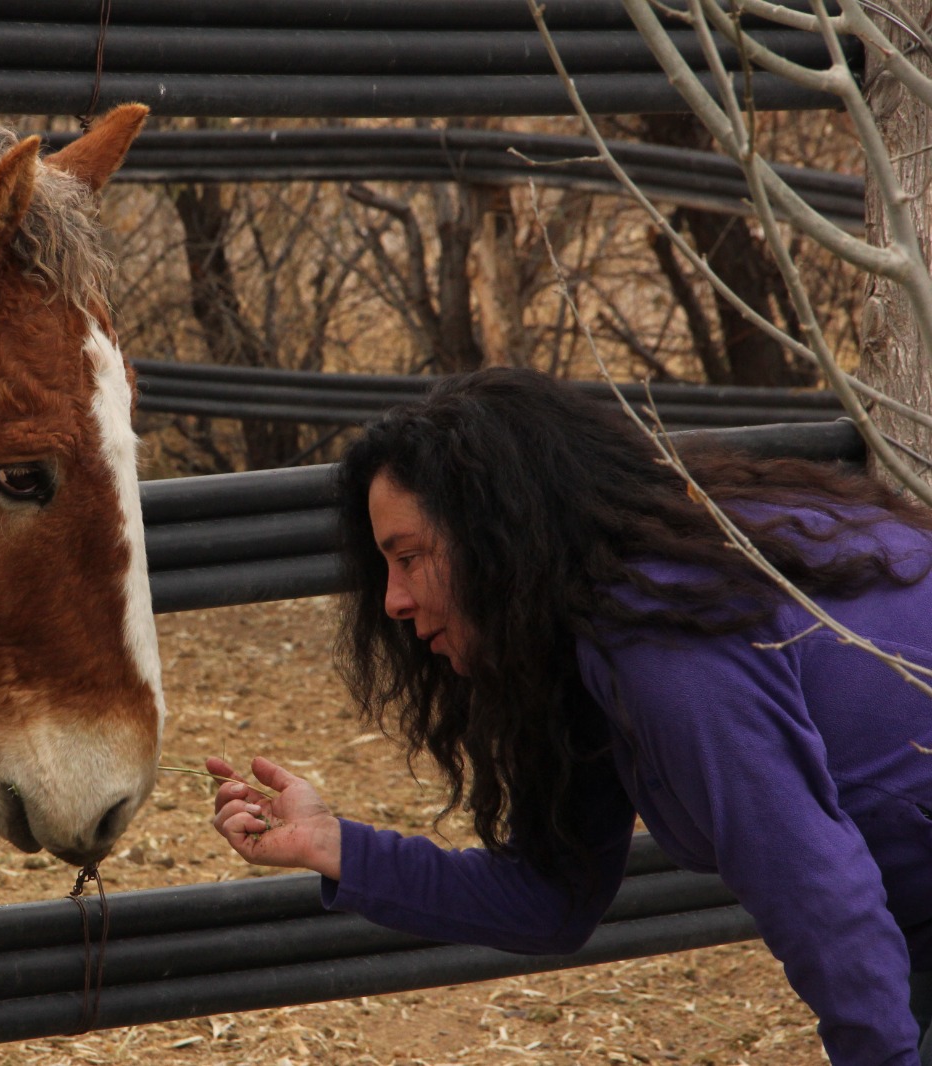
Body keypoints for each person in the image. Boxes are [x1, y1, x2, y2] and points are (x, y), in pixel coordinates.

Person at [208, 368, 932, 1066]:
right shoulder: (593, 633)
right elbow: (549, 901)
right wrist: (333, 845)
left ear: (497, 538)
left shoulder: (664, 633)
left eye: (410, 557)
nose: (393, 601)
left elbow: (815, 892)